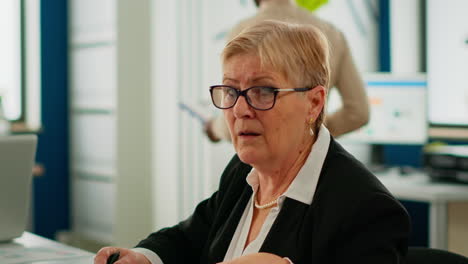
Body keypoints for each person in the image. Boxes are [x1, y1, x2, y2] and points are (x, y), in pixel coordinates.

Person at [95, 21, 409, 264]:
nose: (240, 109)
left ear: (314, 103)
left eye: (263, 91)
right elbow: (191, 237)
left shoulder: (365, 210)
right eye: (231, 91)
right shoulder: (244, 171)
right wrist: (146, 257)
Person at [205, 0, 369, 142]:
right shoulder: (332, 33)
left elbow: (231, 123)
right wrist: (313, 129)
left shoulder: (242, 31)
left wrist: (213, 128)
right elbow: (359, 113)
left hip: (261, 165)